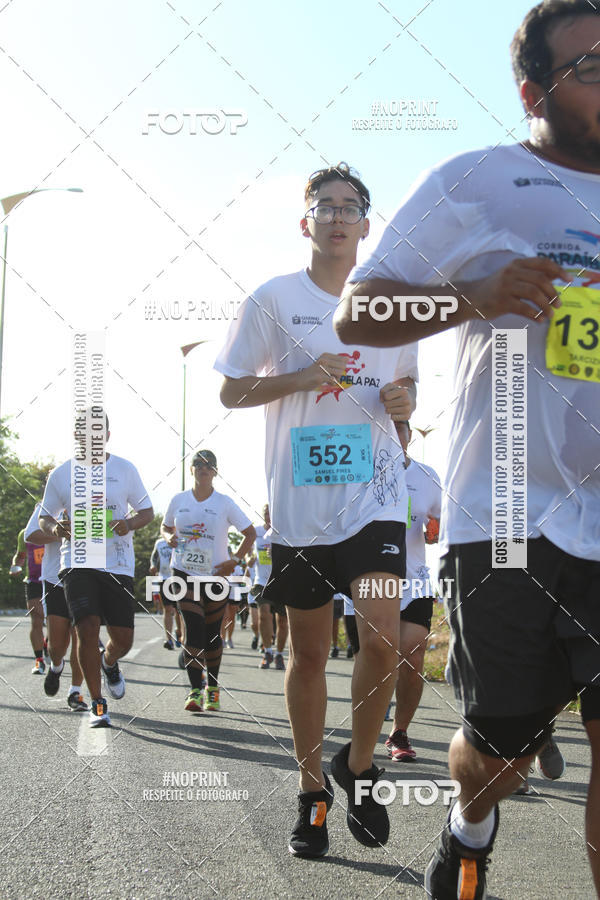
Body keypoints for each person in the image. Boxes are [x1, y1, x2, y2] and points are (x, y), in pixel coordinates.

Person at [334, 3, 600, 895]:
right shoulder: (479, 180)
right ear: (534, 91)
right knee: (502, 754)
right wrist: (473, 295)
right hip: (509, 517)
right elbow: (359, 311)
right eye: (589, 67)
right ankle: (471, 820)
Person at [216, 163, 418, 858]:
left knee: (385, 635)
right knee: (307, 654)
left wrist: (404, 405)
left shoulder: (391, 305)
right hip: (302, 506)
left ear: (366, 223)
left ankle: (358, 767)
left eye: (350, 206)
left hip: (377, 498)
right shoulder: (273, 299)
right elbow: (230, 394)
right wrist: (301, 378)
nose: (337, 216)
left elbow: (405, 401)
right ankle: (311, 794)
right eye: (324, 206)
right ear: (306, 222)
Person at [40, 412, 153, 727]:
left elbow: (147, 511)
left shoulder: (125, 469)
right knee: (86, 628)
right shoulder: (61, 474)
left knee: (124, 639)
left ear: (107, 434)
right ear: (76, 436)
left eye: (97, 431)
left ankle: (109, 661)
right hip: (76, 562)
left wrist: (128, 523)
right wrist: (55, 528)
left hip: (117, 563)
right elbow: (44, 516)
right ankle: (97, 703)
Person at [161, 450, 256, 712]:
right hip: (184, 571)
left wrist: (235, 561)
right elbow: (165, 526)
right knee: (193, 628)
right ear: (190, 469)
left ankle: (212, 688)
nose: (204, 469)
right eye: (198, 465)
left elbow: (249, 533)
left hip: (216, 575)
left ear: (215, 472)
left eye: (209, 466)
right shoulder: (178, 499)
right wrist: (168, 537)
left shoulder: (224, 503)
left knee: (213, 635)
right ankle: (194, 692)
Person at [384, 420, 441, 763]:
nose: (396, 434)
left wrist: (434, 531)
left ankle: (398, 731)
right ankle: (369, 721)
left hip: (415, 578)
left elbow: (436, 526)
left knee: (413, 653)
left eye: (401, 429)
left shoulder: (427, 475)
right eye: (388, 428)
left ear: (408, 436)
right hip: (372, 579)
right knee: (377, 656)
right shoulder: (362, 470)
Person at [24, 504, 87, 710]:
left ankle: (76, 692)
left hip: (87, 577)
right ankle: (56, 665)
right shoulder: (48, 504)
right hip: (55, 580)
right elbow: (30, 535)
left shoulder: (94, 496)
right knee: (57, 645)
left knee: (82, 638)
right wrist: (59, 533)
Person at [253, 505, 288, 670]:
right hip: (261, 581)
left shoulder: (283, 531)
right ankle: (267, 651)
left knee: (282, 620)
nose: (268, 516)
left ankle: (280, 654)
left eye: (271, 513)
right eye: (266, 513)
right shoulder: (257, 531)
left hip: (281, 581)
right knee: (264, 615)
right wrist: (249, 558)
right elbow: (249, 550)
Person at [11, 525, 46, 674]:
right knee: (36, 619)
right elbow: (20, 555)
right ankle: (39, 661)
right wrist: (15, 566)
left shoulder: (59, 529)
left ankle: (47, 643)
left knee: (54, 620)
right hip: (33, 582)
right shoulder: (25, 533)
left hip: (55, 580)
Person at [150, 536, 183, 650]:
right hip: (164, 578)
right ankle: (169, 640)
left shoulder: (181, 539)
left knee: (180, 610)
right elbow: (154, 557)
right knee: (167, 609)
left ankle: (180, 634)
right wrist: (153, 566)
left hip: (179, 578)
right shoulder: (159, 542)